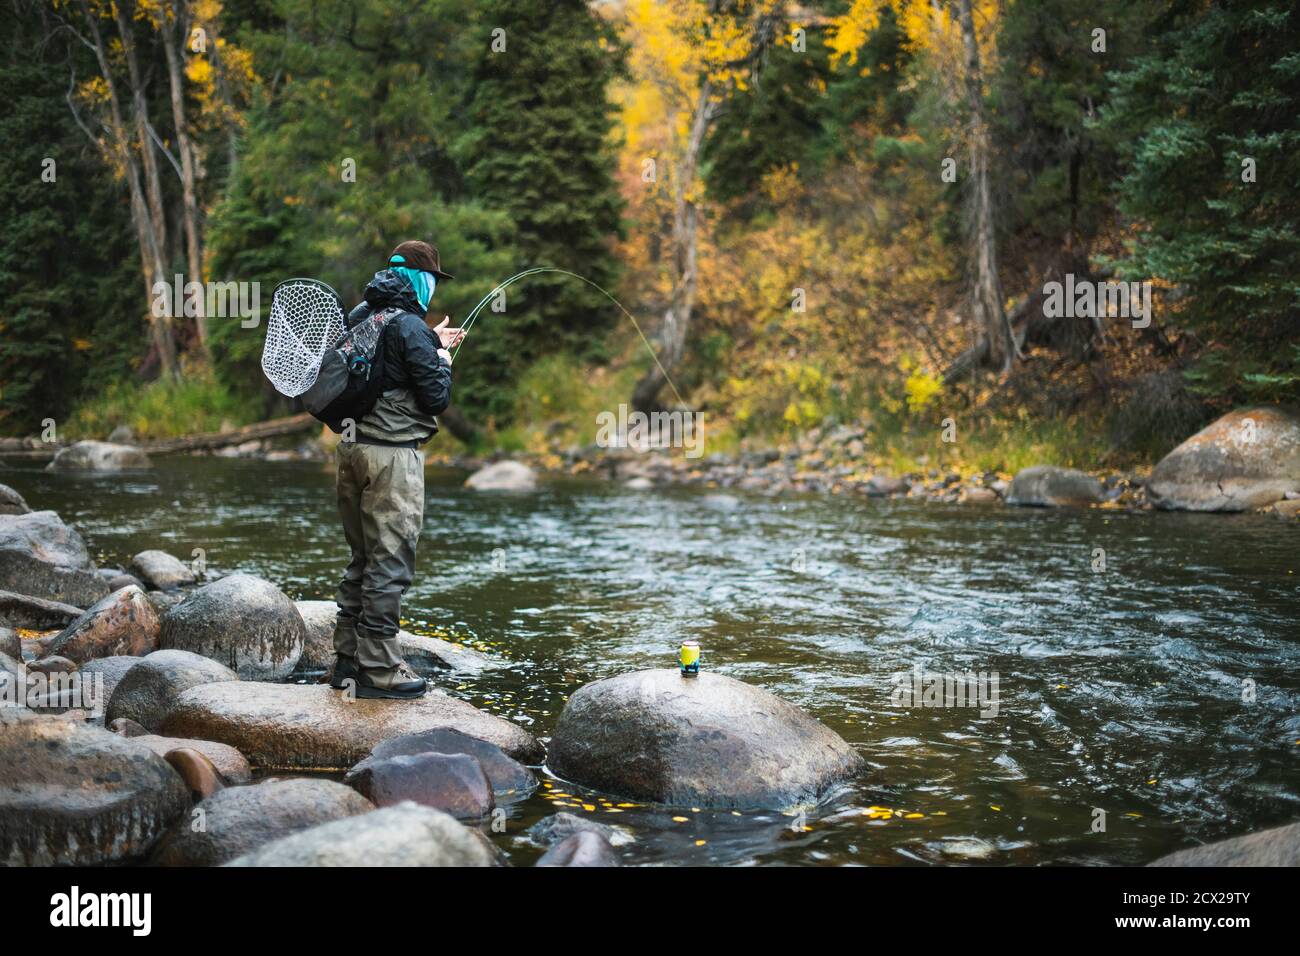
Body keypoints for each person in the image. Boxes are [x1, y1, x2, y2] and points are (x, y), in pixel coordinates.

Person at [330, 240, 464, 699]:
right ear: (421, 280)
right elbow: (436, 398)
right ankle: (380, 670)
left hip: (350, 452)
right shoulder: (411, 327)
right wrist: (442, 358)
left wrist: (432, 344)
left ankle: (346, 661)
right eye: (432, 280)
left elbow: (388, 367)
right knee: (389, 562)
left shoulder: (361, 315)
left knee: (361, 559)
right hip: (392, 458)